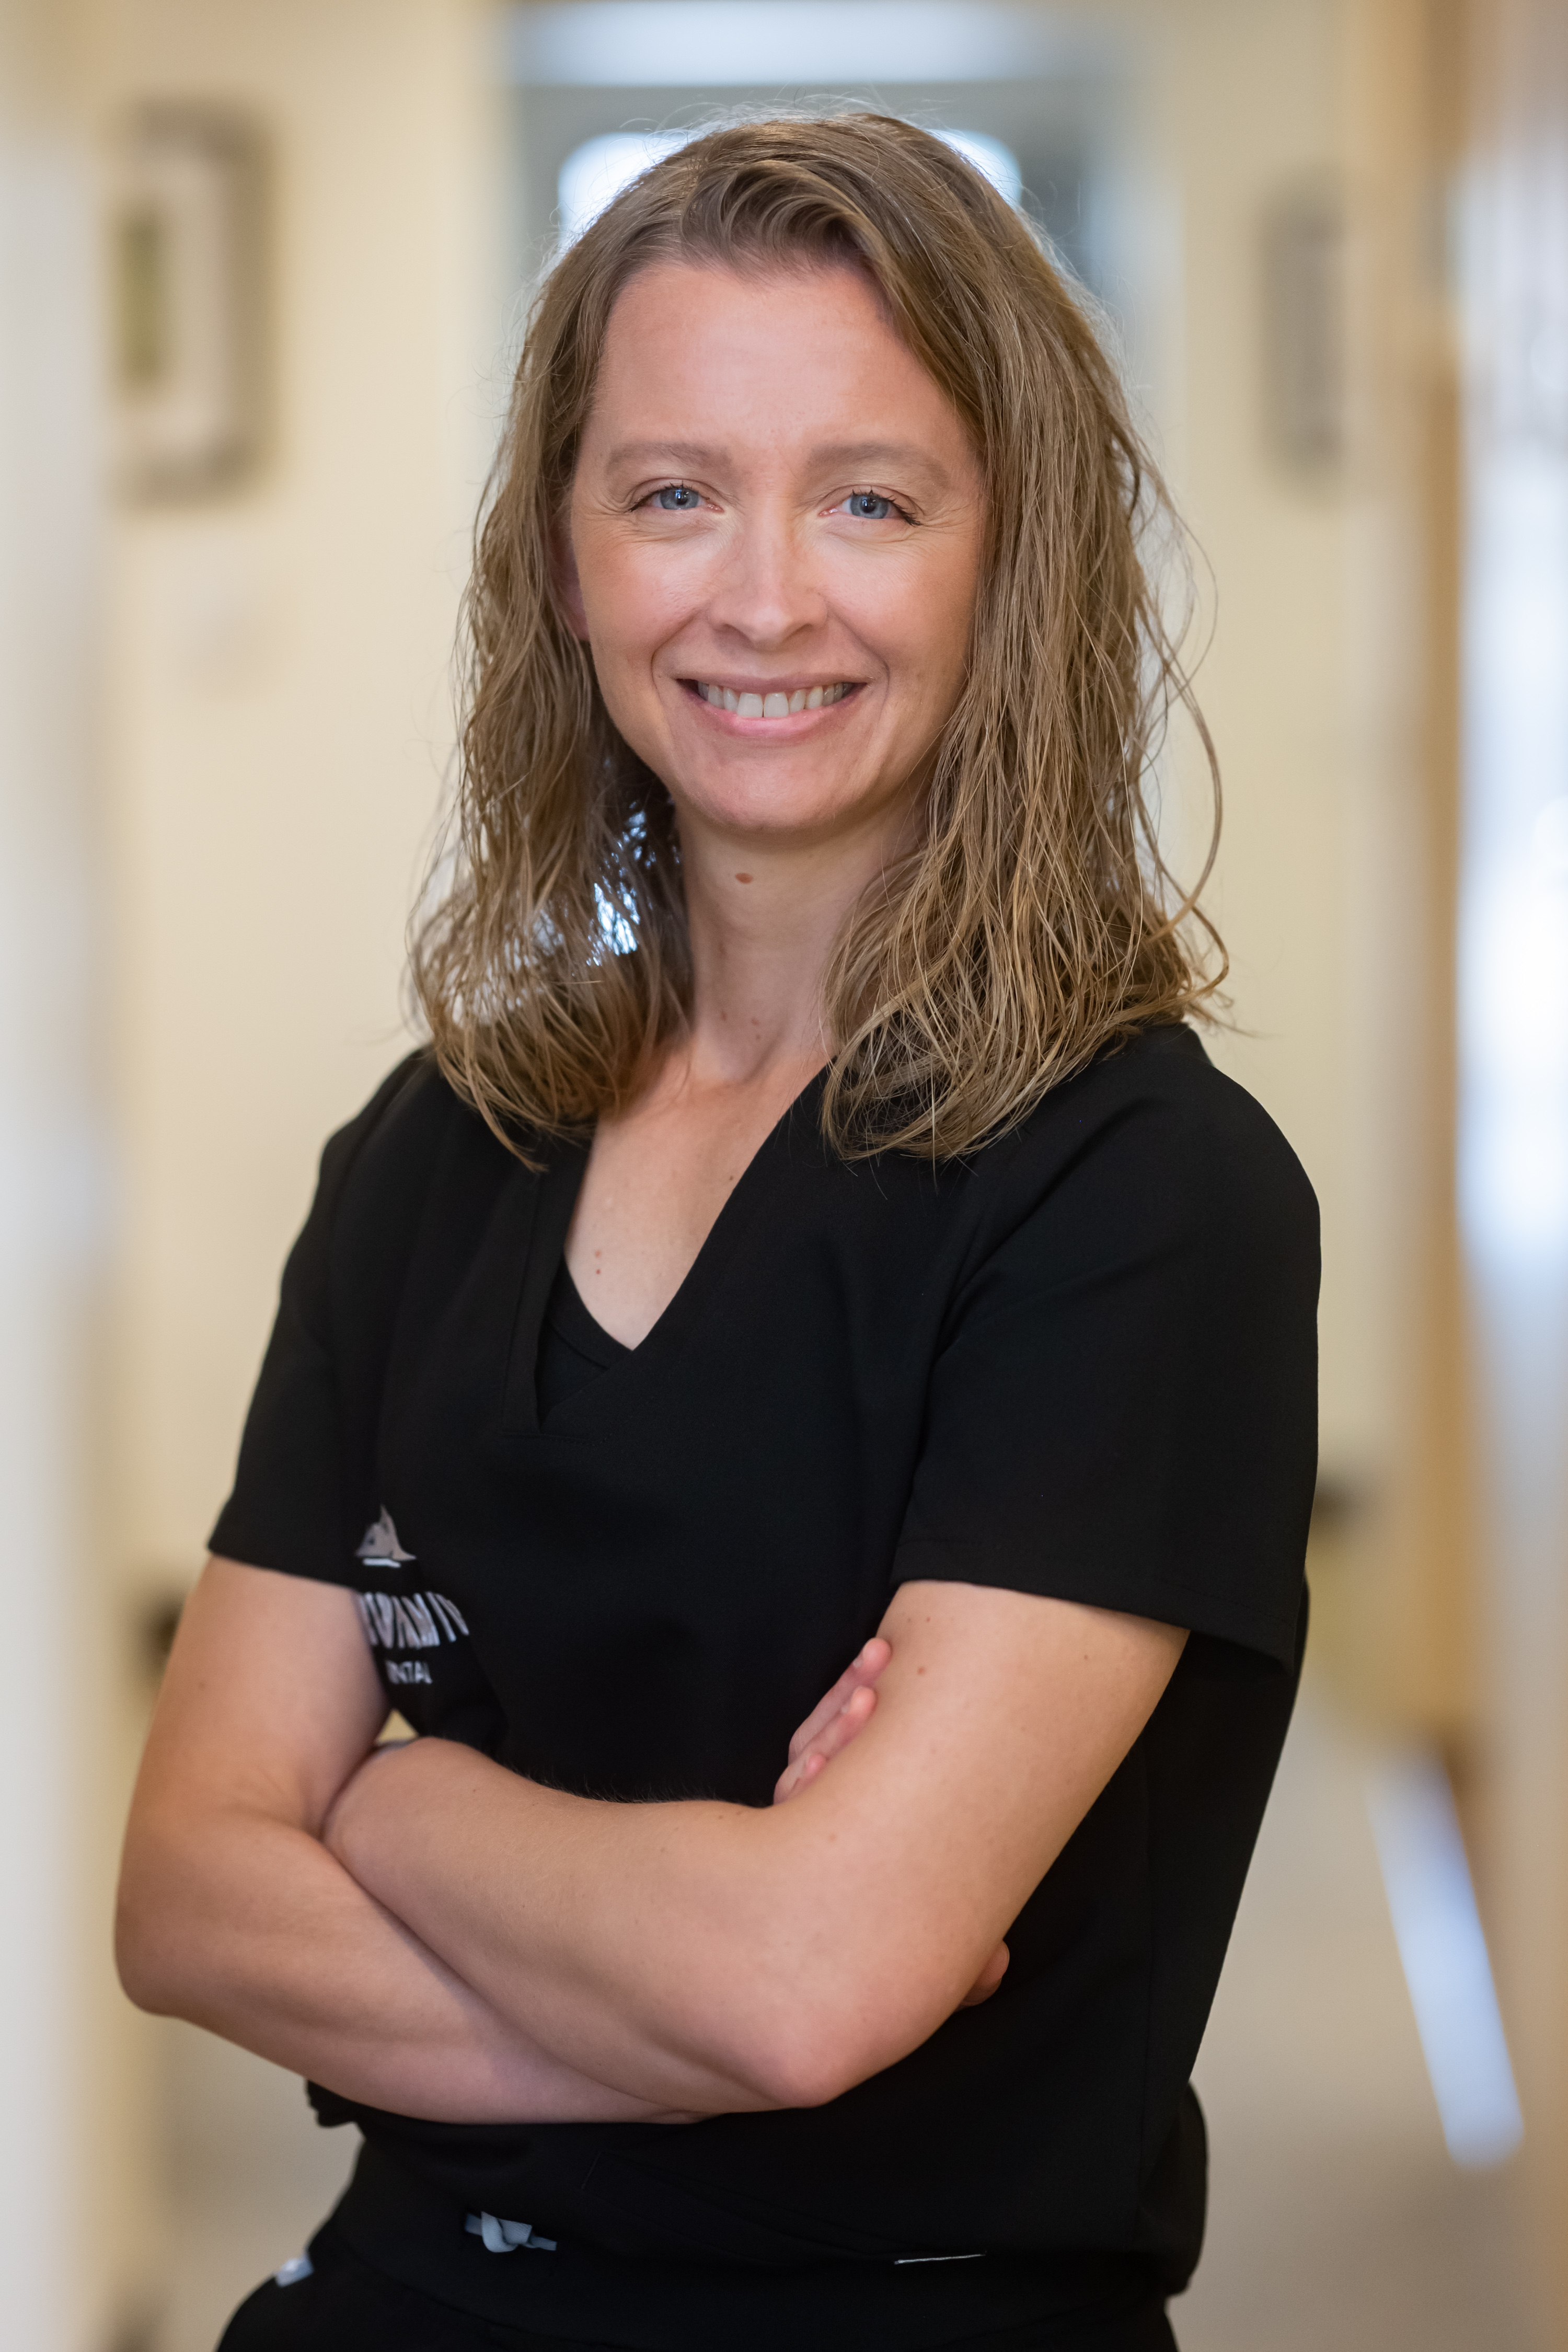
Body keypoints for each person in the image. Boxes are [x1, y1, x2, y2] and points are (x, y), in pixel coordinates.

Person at [116, 114, 1318, 2352]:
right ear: (564, 564)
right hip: (400, 2304)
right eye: (673, 493)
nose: (763, 597)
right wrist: (696, 1990)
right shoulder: (429, 1156)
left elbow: (808, 1981)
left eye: (872, 497)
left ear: (1009, 559)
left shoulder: (1143, 1197)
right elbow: (184, 1895)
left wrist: (405, 1807)